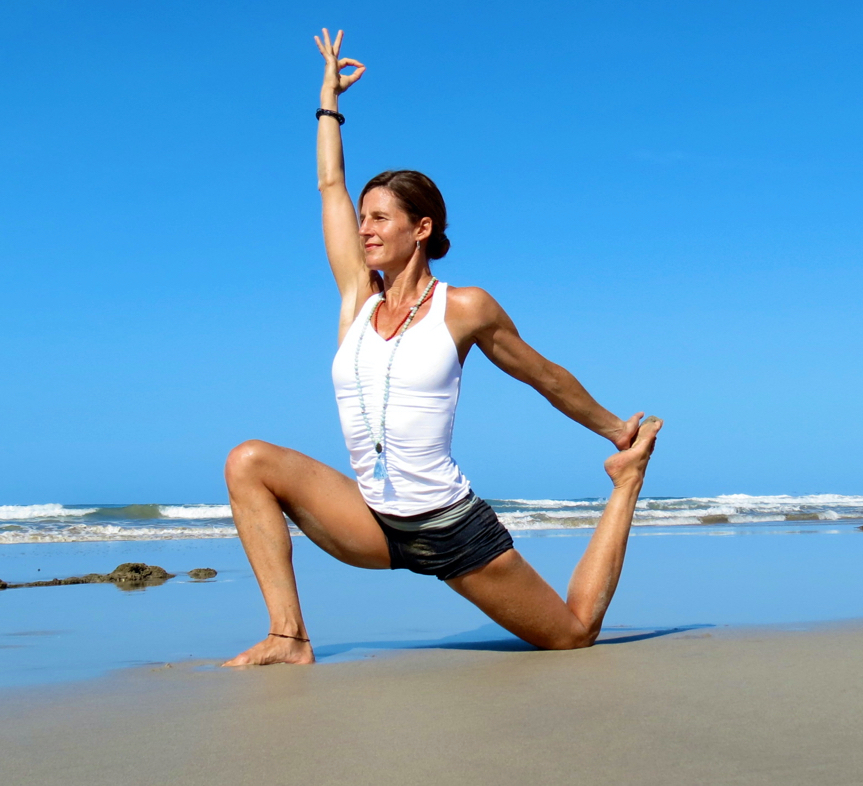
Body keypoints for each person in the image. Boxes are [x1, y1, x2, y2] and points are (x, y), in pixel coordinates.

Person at [222, 29, 662, 667]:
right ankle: (288, 637)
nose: (365, 228)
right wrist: (328, 104)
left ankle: (626, 486)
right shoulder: (358, 300)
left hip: (447, 526)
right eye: (363, 218)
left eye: (380, 218)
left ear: (420, 229)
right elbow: (329, 188)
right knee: (248, 461)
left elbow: (543, 376)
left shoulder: (465, 308)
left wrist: (615, 432)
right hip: (372, 521)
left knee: (571, 635)